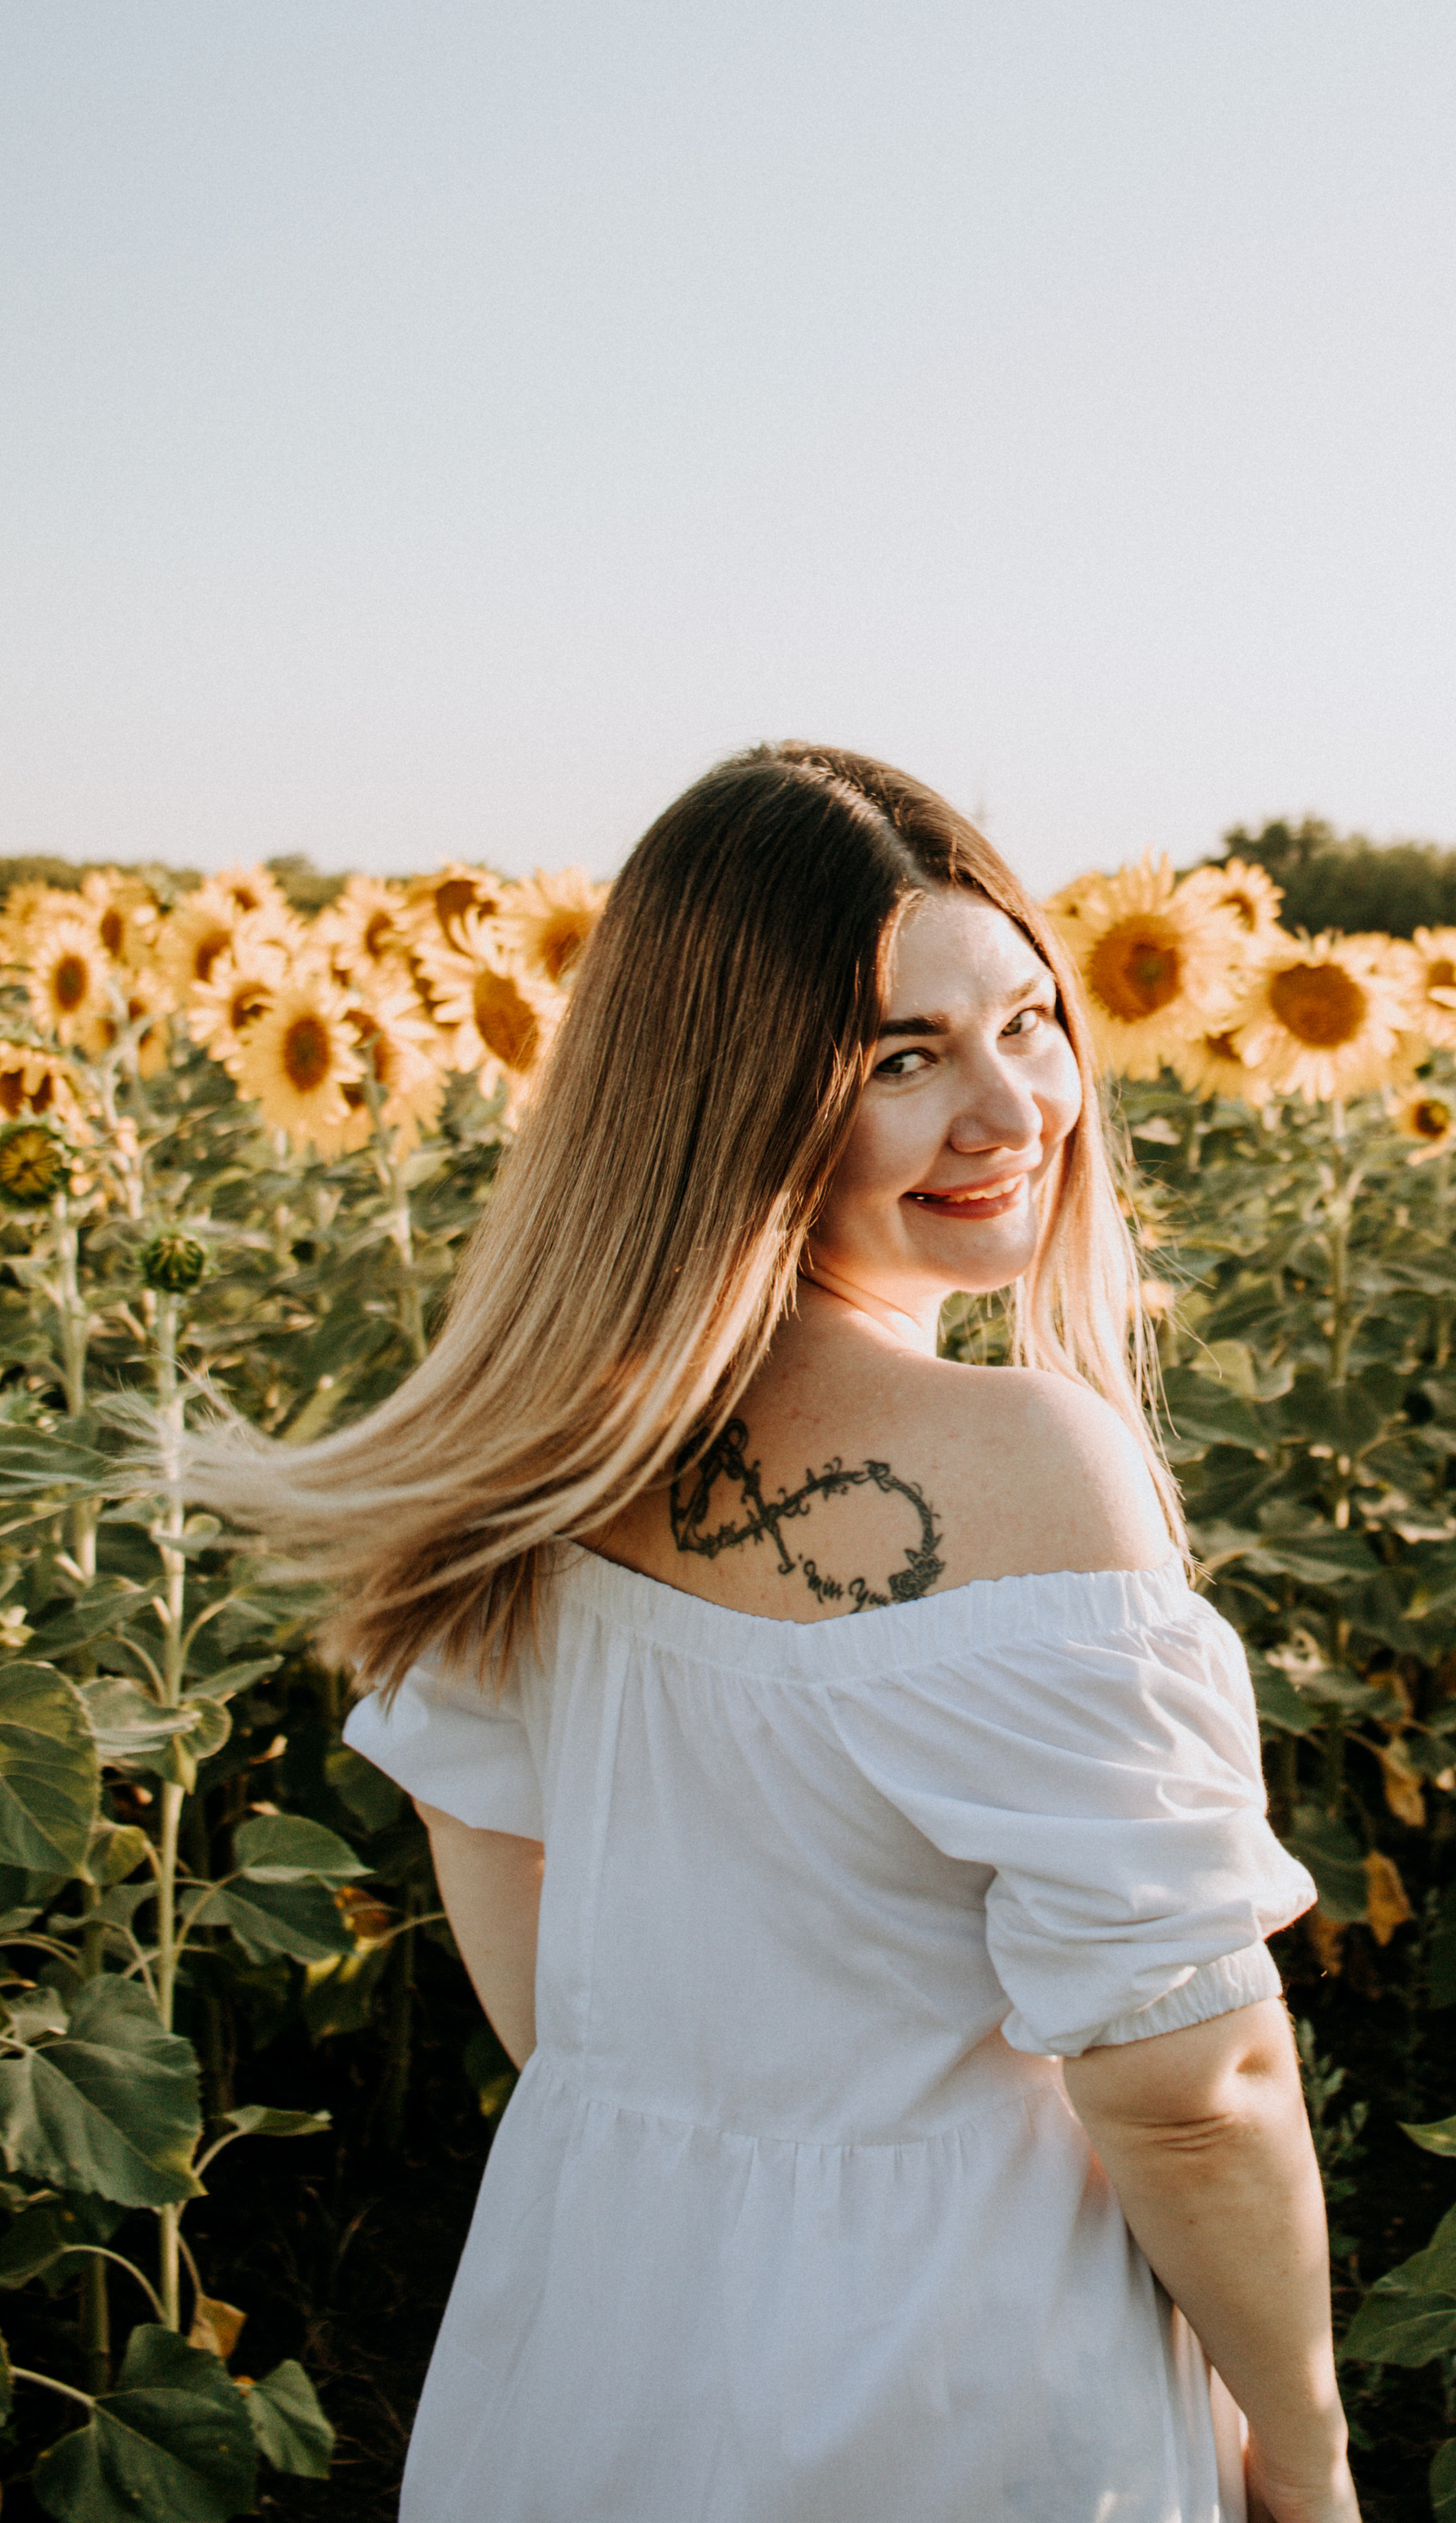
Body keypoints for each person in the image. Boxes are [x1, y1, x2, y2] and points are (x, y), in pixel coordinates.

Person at [222, 744, 1357, 2523]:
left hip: (593, 2324)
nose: (1012, 1111)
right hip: (963, 2373)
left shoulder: (542, 1439)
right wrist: (1304, 2458)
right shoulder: (1028, 1465)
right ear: (728, 1096)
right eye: (902, 1058)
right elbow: (1191, 2084)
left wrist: (727, 2175)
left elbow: (512, 1901)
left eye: (1027, 1021)